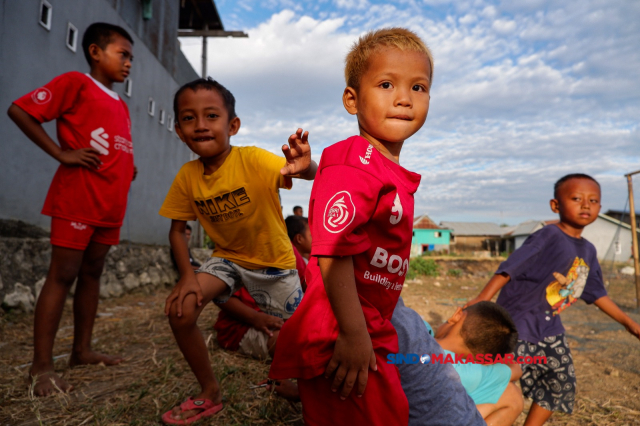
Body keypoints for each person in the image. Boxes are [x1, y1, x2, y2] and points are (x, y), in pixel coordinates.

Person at [269, 28, 432, 425]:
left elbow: (345, 184)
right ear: (352, 99)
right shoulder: (354, 158)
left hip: (365, 319)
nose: (404, 98)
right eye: (387, 84)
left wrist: (310, 169)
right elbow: (333, 249)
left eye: (419, 87)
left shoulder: (372, 166)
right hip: (344, 321)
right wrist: (354, 334)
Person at [158, 78, 317, 424]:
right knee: (181, 311)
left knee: (308, 339)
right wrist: (187, 277)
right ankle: (209, 392)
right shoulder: (187, 176)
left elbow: (300, 173)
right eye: (189, 118)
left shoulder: (253, 160)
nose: (200, 125)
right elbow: (176, 232)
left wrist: (307, 167)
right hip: (227, 260)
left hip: (276, 267)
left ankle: (300, 388)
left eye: (211, 115)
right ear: (179, 130)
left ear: (232, 126)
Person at [7, 22, 136, 397]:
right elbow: (20, 111)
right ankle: (41, 367)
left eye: (131, 58)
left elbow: (112, 142)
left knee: (93, 273)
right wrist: (60, 153)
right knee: (62, 274)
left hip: (110, 204)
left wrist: (130, 165)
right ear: (96, 52)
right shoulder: (75, 83)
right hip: (77, 198)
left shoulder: (120, 103)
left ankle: (81, 351)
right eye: (122, 54)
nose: (129, 63)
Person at [466, 173, 640, 426]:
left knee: (560, 382)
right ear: (555, 205)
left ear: (600, 208)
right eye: (577, 198)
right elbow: (512, 266)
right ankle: (470, 418)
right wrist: (483, 297)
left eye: (593, 200)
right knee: (501, 380)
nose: (585, 205)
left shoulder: (588, 250)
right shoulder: (548, 235)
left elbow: (596, 293)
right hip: (517, 325)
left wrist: (628, 323)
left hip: (550, 329)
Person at [265, 297, 521, 426]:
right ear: (480, 358)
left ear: (456, 316)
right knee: (511, 397)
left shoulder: (415, 329)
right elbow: (516, 370)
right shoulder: (471, 371)